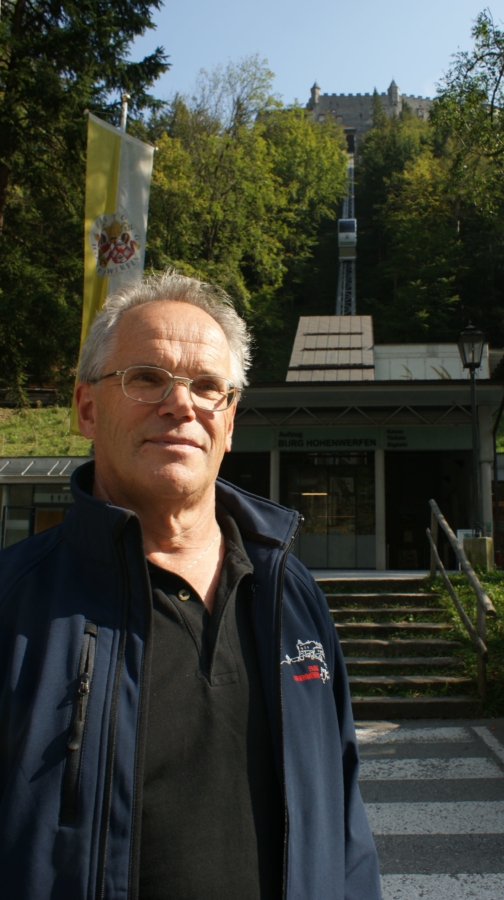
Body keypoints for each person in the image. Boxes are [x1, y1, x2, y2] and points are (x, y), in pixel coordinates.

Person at [0, 272, 381, 900]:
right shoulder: (16, 606)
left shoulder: (294, 599)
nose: (182, 404)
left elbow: (344, 829)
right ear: (87, 407)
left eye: (208, 387)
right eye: (147, 378)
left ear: (229, 423)